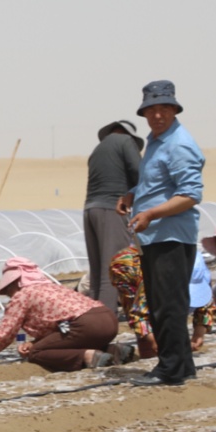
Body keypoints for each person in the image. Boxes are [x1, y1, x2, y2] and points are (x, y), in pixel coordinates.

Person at [119, 81, 205, 386]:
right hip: (153, 235)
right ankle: (182, 365)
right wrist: (132, 194)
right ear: (144, 113)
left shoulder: (179, 144)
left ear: (174, 110)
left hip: (170, 236)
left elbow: (190, 195)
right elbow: (155, 184)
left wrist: (151, 213)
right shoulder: (156, 142)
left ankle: (171, 369)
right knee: (161, 303)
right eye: (152, 110)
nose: (157, 115)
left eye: (164, 109)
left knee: (168, 305)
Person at [0, 258, 128, 371]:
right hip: (108, 320)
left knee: (36, 354)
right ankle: (112, 350)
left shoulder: (21, 296)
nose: (9, 294)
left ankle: (88, 356)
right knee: (55, 343)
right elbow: (57, 327)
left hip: (86, 326)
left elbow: (3, 336)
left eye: (8, 289)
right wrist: (33, 342)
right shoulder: (52, 287)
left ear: (16, 283)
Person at [109, 241, 214, 360]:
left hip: (162, 257)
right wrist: (153, 342)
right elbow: (139, 314)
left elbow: (206, 304)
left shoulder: (199, 270)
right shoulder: (151, 280)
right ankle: (148, 351)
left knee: (173, 314)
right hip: (127, 268)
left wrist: (199, 334)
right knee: (148, 311)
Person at [83, 121, 144, 300]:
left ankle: (97, 313)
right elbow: (140, 173)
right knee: (113, 271)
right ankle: (108, 315)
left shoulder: (97, 150)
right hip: (112, 210)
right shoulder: (125, 141)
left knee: (96, 275)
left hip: (90, 210)